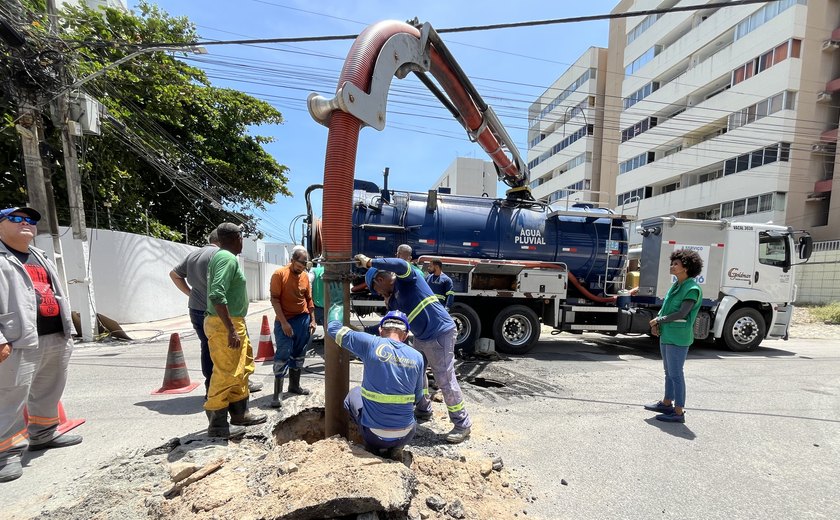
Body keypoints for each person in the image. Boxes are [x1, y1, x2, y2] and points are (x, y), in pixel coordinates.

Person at [0, 207, 82, 483]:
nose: (26, 223)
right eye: (16, 219)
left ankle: (44, 434)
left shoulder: (39, 255)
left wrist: (67, 330)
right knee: (9, 395)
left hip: (53, 333)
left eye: (31, 220)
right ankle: (5, 453)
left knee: (49, 388)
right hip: (16, 338)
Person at [355, 253, 472, 443]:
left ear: (380, 279)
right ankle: (424, 409)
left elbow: (401, 264)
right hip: (421, 336)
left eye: (375, 289)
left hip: (440, 332)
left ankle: (462, 424)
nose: (377, 293)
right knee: (417, 372)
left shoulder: (408, 280)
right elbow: (391, 325)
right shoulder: (393, 299)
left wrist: (370, 262)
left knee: (444, 379)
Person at [325, 301, 424, 460]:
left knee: (354, 394)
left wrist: (336, 306)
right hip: (406, 433)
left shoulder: (371, 344)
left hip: (373, 434)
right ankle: (396, 449)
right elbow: (419, 397)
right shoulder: (418, 357)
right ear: (405, 335)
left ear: (380, 330)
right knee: (407, 418)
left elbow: (334, 330)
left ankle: (373, 448)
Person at [169, 231, 263, 396]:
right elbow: (218, 292)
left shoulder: (193, 255)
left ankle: (211, 387)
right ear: (223, 241)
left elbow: (174, 275)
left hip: (197, 310)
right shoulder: (221, 256)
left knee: (207, 347)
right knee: (233, 353)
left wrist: (191, 294)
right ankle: (231, 391)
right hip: (220, 313)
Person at [204, 223, 266, 439]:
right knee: (226, 371)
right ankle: (218, 424)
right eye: (242, 237)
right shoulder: (226, 259)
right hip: (225, 325)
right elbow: (216, 294)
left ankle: (240, 414)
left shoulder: (224, 257)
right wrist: (230, 329)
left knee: (242, 367)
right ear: (237, 238)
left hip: (233, 322)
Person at [644, 249, 704, 423]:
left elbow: (682, 313)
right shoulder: (677, 285)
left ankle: (678, 412)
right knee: (668, 372)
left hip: (678, 337)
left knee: (676, 374)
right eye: (672, 263)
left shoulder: (692, 288)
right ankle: (666, 403)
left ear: (686, 267)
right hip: (668, 334)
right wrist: (658, 325)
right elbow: (667, 307)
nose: (672, 266)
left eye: (676, 264)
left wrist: (659, 320)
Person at [269, 247, 316, 408]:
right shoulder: (279, 274)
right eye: (298, 265)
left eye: (303, 266)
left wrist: (312, 320)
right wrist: (284, 323)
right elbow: (274, 300)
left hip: (302, 320)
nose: (301, 269)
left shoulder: (304, 276)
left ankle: (294, 386)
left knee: (299, 353)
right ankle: (277, 394)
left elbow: (309, 299)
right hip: (285, 320)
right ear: (292, 260)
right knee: (283, 354)